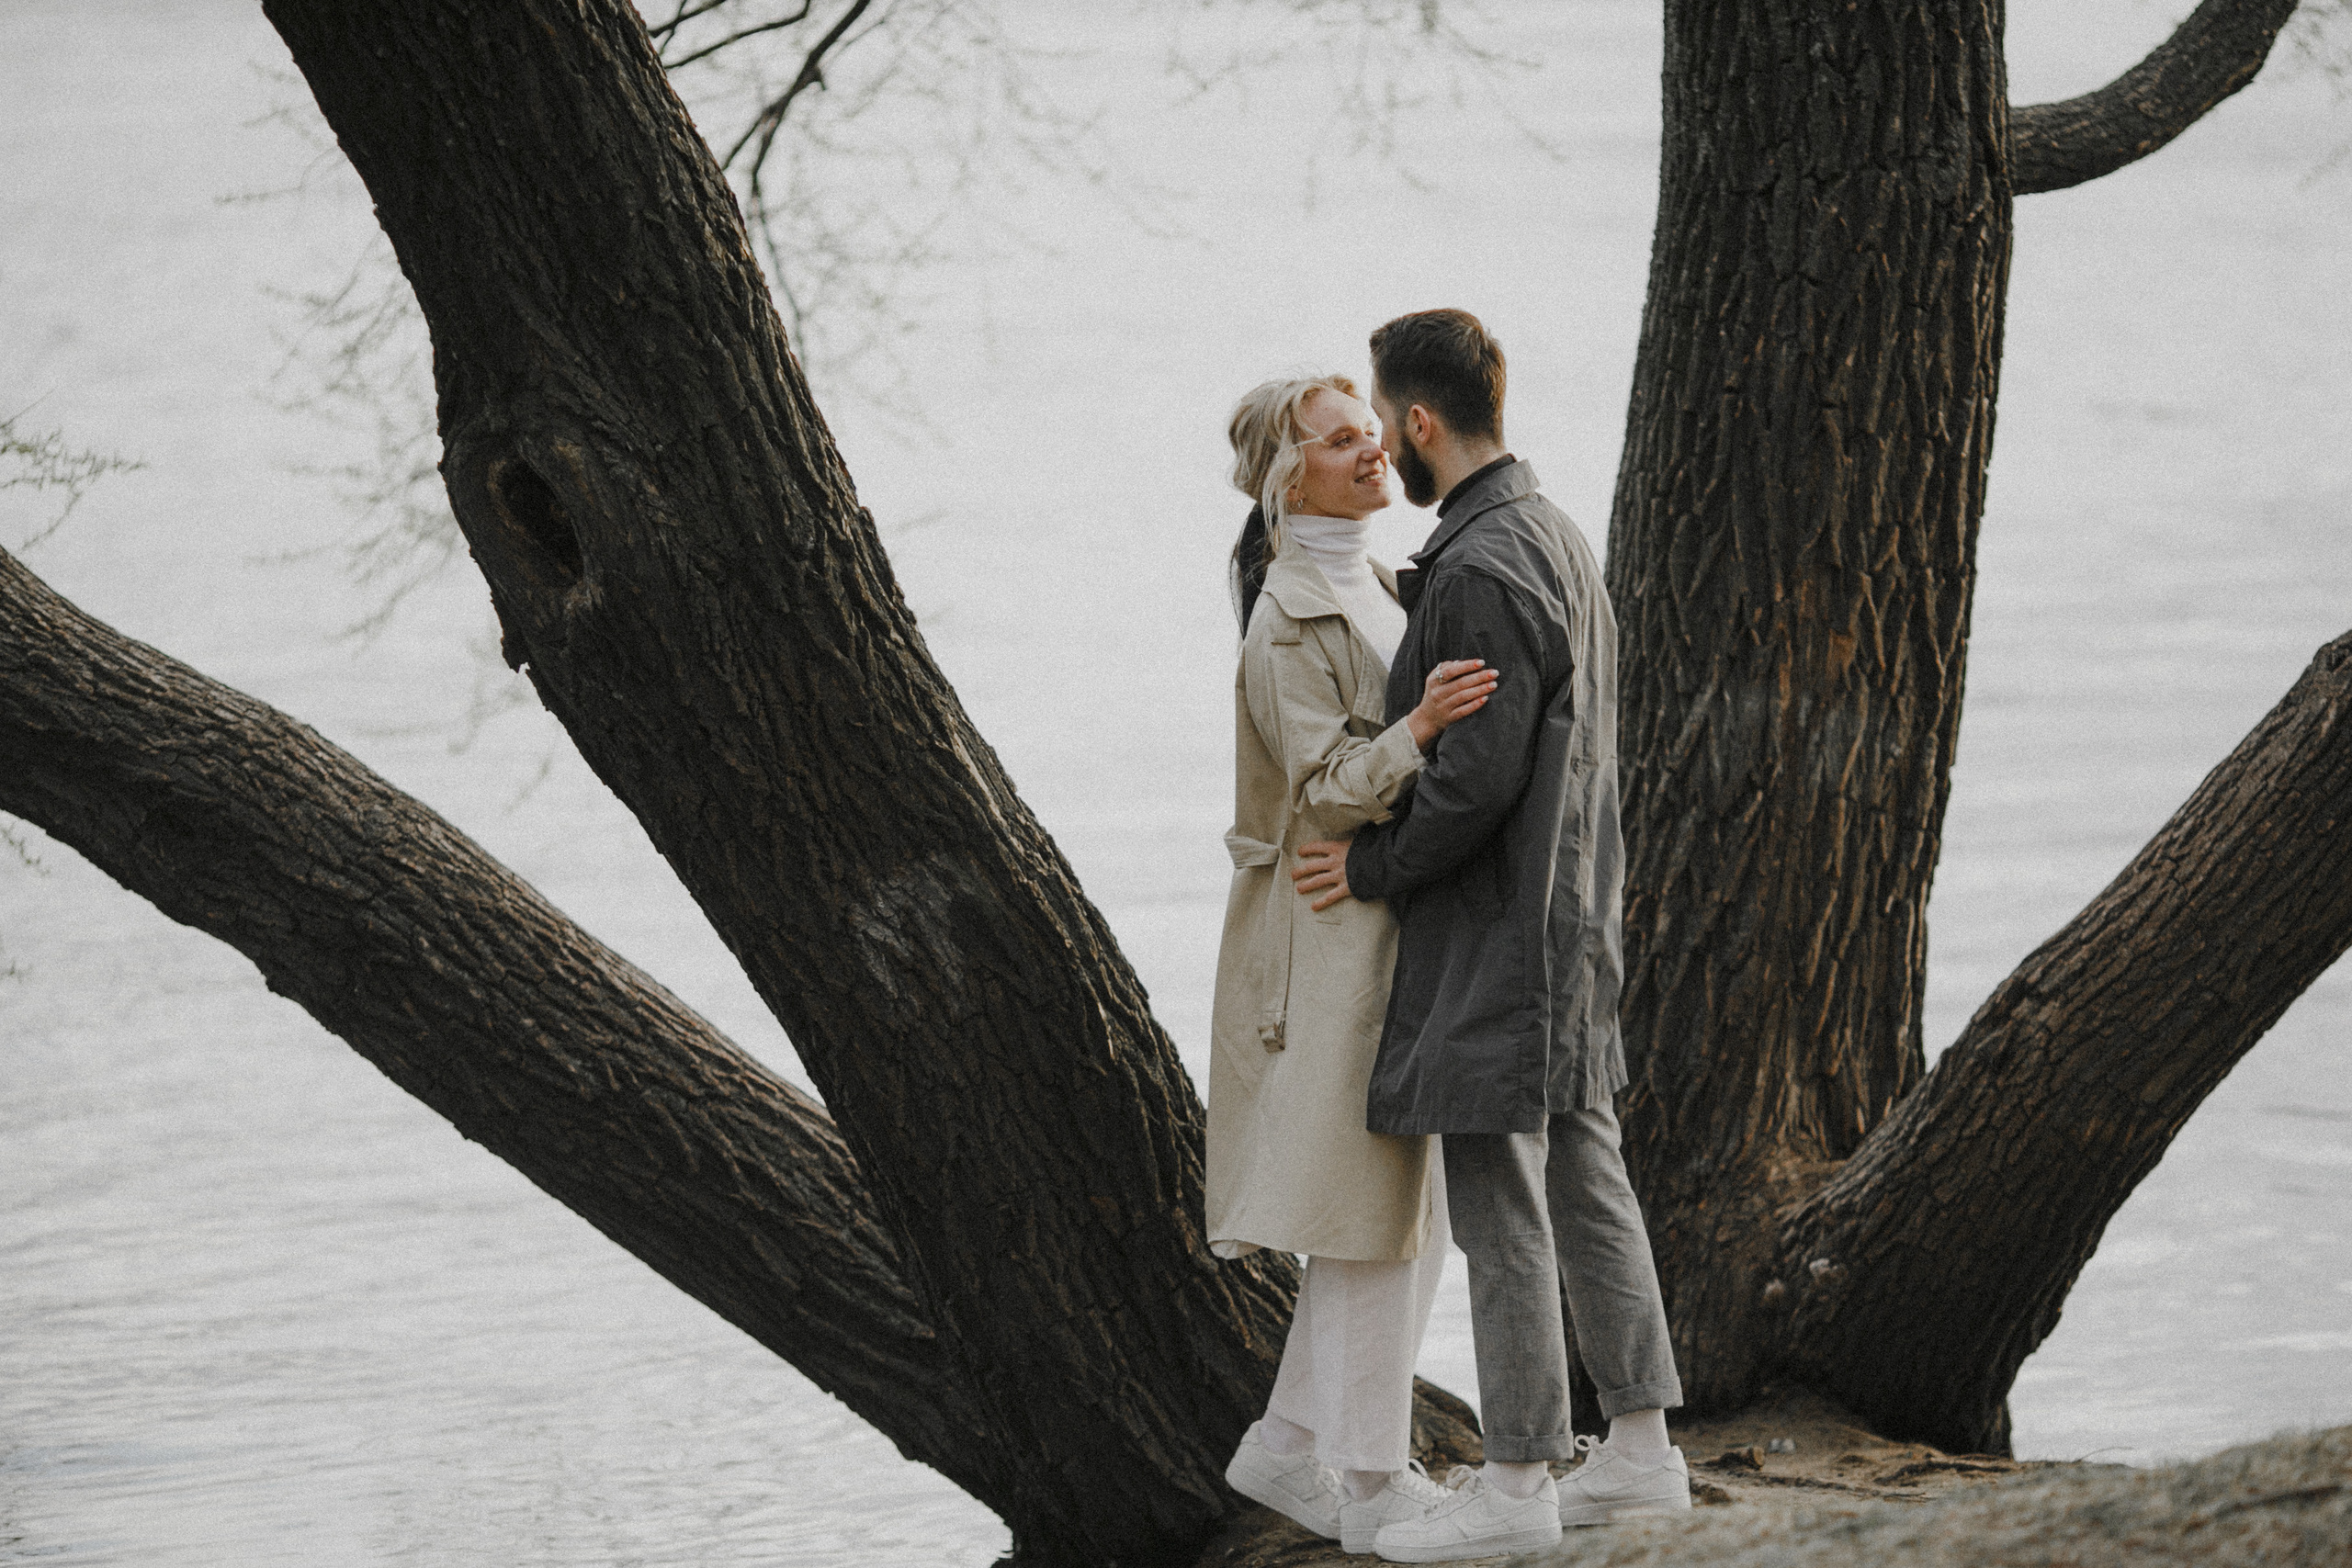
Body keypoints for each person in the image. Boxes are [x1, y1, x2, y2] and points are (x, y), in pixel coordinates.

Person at [1290, 310, 1691, 1562]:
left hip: (1499, 931)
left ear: (1418, 422)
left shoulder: (1478, 566)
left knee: (1500, 1200)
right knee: (1585, 1170)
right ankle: (1639, 1455)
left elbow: (1471, 784)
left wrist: (1369, 866)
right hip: (1574, 918)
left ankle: (1517, 1482)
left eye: (1387, 428)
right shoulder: (1549, 536)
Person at [1207, 372, 1502, 1555]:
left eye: (1368, 431)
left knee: (1401, 1206)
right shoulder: (1287, 618)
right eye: (1341, 442)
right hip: (1332, 942)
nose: (1373, 449)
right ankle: (1376, 1487)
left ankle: (1284, 1450)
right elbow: (1323, 792)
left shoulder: (1377, 580)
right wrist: (1422, 729)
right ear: (1292, 477)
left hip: (1391, 920)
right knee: (1376, 1209)